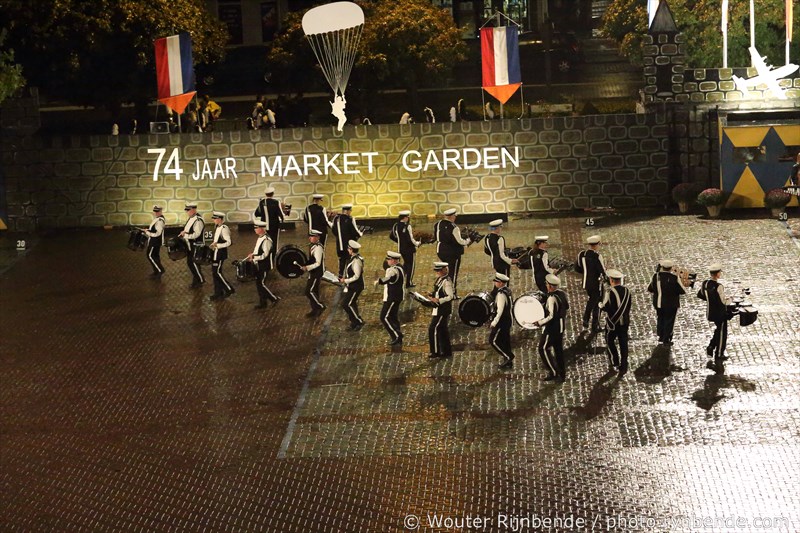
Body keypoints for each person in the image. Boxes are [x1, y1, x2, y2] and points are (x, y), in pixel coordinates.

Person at [533, 274, 569, 382]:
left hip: (553, 328)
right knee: (558, 351)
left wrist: (540, 322)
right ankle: (562, 374)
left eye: (547, 284)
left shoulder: (552, 298)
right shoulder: (562, 293)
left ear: (550, 286)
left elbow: (551, 316)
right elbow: (566, 306)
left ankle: (553, 372)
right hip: (561, 326)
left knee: (543, 348)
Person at [697, 264, 732, 369]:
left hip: (710, 311)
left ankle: (711, 346)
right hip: (720, 313)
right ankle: (719, 353)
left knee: (718, 330)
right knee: (722, 333)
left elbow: (701, 295)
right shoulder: (719, 286)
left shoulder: (705, 283)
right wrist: (731, 299)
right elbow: (724, 302)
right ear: (717, 274)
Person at [433, 208, 471, 297]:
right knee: (452, 273)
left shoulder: (438, 224)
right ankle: (452, 293)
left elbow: (436, 236)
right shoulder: (454, 227)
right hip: (452, 252)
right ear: (452, 216)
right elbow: (459, 241)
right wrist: (468, 241)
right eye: (454, 216)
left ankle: (442, 289)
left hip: (440, 250)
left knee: (443, 272)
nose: (455, 217)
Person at [601, 269, 633, 377]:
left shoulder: (610, 292)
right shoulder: (627, 291)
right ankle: (624, 365)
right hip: (625, 322)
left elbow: (606, 307)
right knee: (623, 343)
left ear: (611, 280)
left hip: (613, 323)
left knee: (609, 340)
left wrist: (600, 305)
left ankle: (615, 361)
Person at [647, 259, 685, 345]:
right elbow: (682, 290)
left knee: (660, 317)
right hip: (671, 303)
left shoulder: (655, 276)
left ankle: (661, 335)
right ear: (671, 268)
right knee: (669, 320)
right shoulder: (674, 278)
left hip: (658, 302)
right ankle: (666, 339)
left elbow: (650, 288)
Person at [576, 235, 607, 330]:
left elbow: (577, 267)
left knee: (595, 301)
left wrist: (586, 273)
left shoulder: (582, 254)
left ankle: (595, 325)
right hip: (596, 283)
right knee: (595, 301)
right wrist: (607, 280)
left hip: (586, 282)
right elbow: (602, 271)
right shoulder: (597, 256)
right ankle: (587, 318)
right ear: (597, 244)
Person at [247, 220, 280, 308]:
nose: (255, 230)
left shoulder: (266, 240)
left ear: (261, 229)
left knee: (261, 284)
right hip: (259, 264)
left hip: (264, 265)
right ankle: (263, 302)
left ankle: (273, 298)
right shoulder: (260, 238)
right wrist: (253, 255)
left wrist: (254, 257)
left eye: (256, 228)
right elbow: (257, 251)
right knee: (259, 284)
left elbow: (265, 255)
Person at [377, 251, 405, 345]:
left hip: (392, 297)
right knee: (393, 317)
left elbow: (389, 278)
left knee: (384, 317)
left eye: (389, 259)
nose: (387, 261)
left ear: (393, 260)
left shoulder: (393, 270)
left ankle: (396, 335)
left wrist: (380, 281)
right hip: (398, 296)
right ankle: (397, 337)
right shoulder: (400, 267)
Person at [488, 273, 514, 369]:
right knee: (505, 341)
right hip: (508, 320)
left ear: (500, 283)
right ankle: (508, 362)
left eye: (496, 282)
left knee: (493, 340)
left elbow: (500, 310)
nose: (495, 283)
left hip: (502, 322)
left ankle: (508, 356)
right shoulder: (507, 290)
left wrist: (494, 322)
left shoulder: (501, 294)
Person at [428, 262, 454, 359]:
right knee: (443, 330)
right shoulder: (440, 279)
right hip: (438, 309)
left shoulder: (446, 282)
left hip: (443, 310)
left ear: (444, 270)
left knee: (433, 329)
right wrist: (432, 295)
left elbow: (450, 296)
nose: (437, 272)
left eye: (439, 270)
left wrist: (439, 300)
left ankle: (435, 351)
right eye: (437, 270)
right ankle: (446, 351)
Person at [254, 186, 284, 265]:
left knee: (264, 242)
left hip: (263, 226)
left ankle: (264, 258)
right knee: (274, 243)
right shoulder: (276, 202)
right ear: (273, 194)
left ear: (265, 194)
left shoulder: (261, 202)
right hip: (274, 227)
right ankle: (272, 260)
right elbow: (281, 215)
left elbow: (257, 213)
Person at [390, 210, 420, 288]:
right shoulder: (407, 226)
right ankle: (408, 282)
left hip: (401, 249)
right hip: (409, 249)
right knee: (411, 266)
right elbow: (410, 239)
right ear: (405, 218)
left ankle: (401, 278)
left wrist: (400, 241)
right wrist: (417, 244)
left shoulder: (396, 225)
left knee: (406, 264)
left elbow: (391, 236)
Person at [209, 211, 234, 301]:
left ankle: (228, 289)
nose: (214, 220)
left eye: (215, 219)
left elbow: (229, 242)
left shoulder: (224, 228)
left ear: (220, 219)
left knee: (217, 272)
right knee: (215, 273)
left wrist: (218, 245)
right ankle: (218, 292)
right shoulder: (217, 227)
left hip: (220, 253)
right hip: (215, 253)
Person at [339, 240, 365, 330]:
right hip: (352, 286)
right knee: (351, 303)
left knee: (346, 304)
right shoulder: (353, 258)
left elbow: (356, 276)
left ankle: (358, 321)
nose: (347, 250)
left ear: (351, 249)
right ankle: (354, 322)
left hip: (356, 286)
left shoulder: (356, 261)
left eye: (348, 248)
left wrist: (345, 280)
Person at [332, 205, 363, 277]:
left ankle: (340, 275)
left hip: (340, 244)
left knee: (342, 259)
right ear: (347, 211)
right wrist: (360, 234)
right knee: (349, 259)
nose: (350, 212)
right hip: (349, 244)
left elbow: (334, 230)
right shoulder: (350, 219)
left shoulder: (336, 218)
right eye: (350, 210)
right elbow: (355, 231)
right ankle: (348, 275)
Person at [179, 202, 205, 288]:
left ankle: (200, 280)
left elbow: (196, 234)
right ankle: (196, 281)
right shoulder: (191, 218)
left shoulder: (198, 220)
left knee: (193, 263)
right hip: (190, 245)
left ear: (194, 209)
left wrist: (185, 235)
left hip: (196, 245)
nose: (187, 212)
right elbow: (188, 230)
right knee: (193, 263)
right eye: (187, 210)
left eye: (189, 210)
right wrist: (184, 232)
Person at [301, 230, 326, 317]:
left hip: (316, 272)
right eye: (310, 236)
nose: (310, 238)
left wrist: (307, 267)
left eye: (312, 236)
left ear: (317, 237)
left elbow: (318, 263)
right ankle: (315, 310)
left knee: (309, 291)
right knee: (314, 291)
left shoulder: (318, 248)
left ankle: (320, 306)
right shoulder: (313, 246)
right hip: (313, 272)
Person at [143, 205, 166, 278]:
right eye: (155, 211)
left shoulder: (159, 221)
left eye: (157, 211)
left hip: (155, 242)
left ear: (161, 211)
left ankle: (160, 270)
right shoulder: (158, 219)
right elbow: (154, 230)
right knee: (155, 256)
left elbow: (157, 233)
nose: (156, 213)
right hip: (155, 241)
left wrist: (147, 232)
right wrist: (148, 230)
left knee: (150, 256)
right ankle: (156, 271)